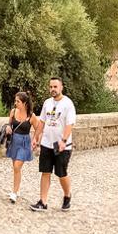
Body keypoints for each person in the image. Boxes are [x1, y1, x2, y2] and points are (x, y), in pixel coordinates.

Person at [31, 77, 76, 213]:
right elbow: (42, 122)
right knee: (45, 172)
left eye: (55, 87)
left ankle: (67, 195)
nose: (53, 89)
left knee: (61, 173)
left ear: (61, 87)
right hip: (46, 143)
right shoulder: (47, 103)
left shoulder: (68, 104)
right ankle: (43, 202)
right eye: (51, 87)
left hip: (61, 145)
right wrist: (35, 137)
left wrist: (63, 140)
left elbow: (69, 124)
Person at [4, 91, 39, 204]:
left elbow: (39, 128)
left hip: (24, 143)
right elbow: (9, 124)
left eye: (18, 101)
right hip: (14, 142)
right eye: (15, 101)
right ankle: (17, 189)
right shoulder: (13, 112)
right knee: (15, 167)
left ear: (24, 103)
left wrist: (35, 139)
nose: (15, 103)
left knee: (17, 167)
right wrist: (8, 127)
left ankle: (14, 193)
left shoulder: (31, 116)